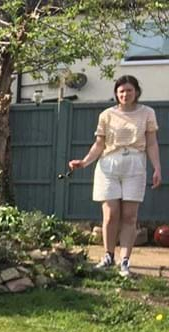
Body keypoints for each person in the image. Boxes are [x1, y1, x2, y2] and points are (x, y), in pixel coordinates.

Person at [69, 75, 162, 277]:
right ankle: (108, 256)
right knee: (110, 215)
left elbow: (152, 143)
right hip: (109, 164)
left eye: (128, 90)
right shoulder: (106, 115)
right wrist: (84, 162)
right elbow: (99, 144)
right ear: (116, 94)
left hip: (135, 164)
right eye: (121, 91)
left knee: (130, 216)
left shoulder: (147, 113)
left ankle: (125, 261)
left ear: (136, 92)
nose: (125, 94)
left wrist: (157, 168)